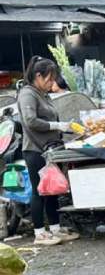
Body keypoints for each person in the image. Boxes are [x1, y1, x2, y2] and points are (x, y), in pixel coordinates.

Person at [16, 57, 79, 246]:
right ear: (38, 76)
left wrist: (66, 127)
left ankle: (55, 229)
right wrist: (57, 124)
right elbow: (30, 121)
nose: (52, 83)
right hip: (35, 150)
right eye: (49, 79)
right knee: (39, 191)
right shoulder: (28, 94)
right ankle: (40, 233)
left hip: (49, 149)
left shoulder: (42, 94)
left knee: (52, 190)